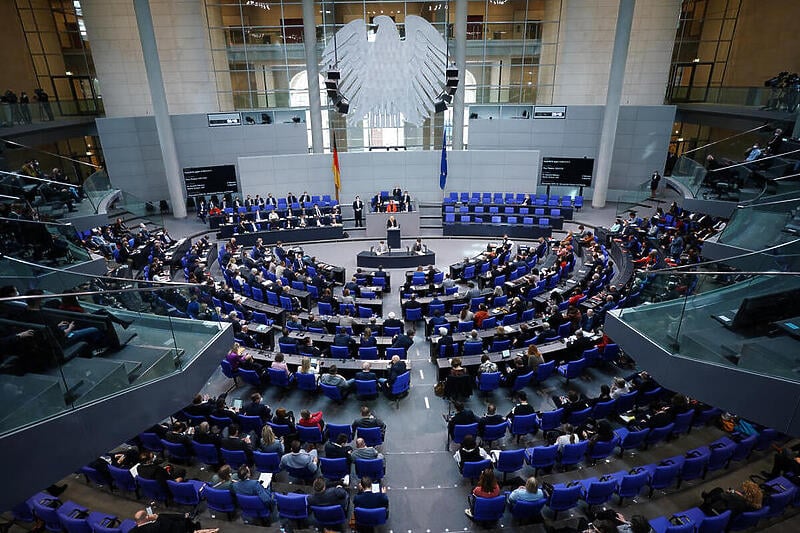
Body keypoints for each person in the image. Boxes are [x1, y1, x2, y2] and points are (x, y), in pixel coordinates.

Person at [129, 509, 217, 533]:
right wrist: (157, 517)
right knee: (181, 521)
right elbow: (170, 525)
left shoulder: (132, 531)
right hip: (177, 529)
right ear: (146, 518)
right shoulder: (156, 526)